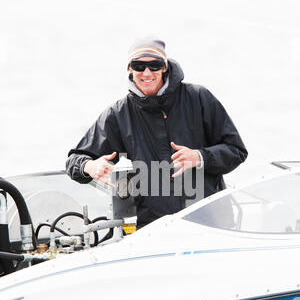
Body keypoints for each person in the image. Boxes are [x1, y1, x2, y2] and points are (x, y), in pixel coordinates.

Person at [66, 38, 248, 228]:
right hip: (156, 230)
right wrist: (90, 166)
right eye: (139, 66)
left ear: (164, 68)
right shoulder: (119, 113)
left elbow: (236, 151)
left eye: (154, 65)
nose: (147, 73)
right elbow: (74, 160)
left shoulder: (199, 97)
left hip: (212, 223)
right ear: (129, 69)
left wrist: (199, 156)